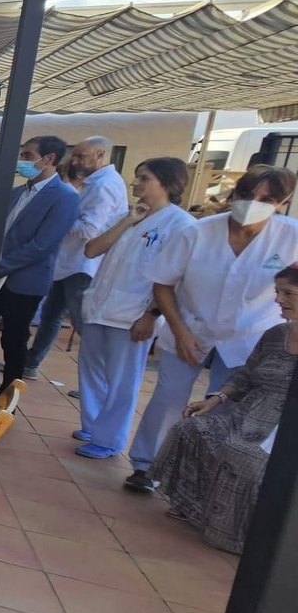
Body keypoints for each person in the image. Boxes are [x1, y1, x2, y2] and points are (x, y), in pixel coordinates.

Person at [125, 166, 298, 492]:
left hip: (251, 336)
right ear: (234, 195)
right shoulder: (198, 232)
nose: (253, 203)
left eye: (266, 198)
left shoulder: (291, 236)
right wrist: (180, 332)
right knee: (168, 400)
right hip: (190, 326)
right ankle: (146, 466)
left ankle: (205, 479)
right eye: (247, 195)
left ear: (282, 202)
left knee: (230, 408)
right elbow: (163, 283)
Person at [149, 270, 298, 553]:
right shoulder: (276, 334)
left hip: (281, 430)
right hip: (246, 417)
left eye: (288, 293)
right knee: (190, 429)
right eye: (277, 291)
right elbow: (246, 375)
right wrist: (215, 399)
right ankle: (194, 507)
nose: (278, 299)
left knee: (243, 454)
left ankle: (237, 534)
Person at [72, 159, 195, 460]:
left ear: (166, 183)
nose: (135, 183)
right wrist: (127, 220)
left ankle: (109, 438)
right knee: (91, 372)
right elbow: (91, 250)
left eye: (144, 178)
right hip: (100, 306)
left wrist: (151, 314)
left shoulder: (180, 225)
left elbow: (175, 279)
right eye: (137, 177)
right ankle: (92, 426)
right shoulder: (132, 217)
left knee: (122, 381)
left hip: (133, 314)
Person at [24, 136, 130, 380]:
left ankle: (101, 378)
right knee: (51, 315)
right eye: (76, 156)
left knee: (83, 323)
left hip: (83, 266)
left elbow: (90, 230)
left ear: (101, 155)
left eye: (82, 156)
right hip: (69, 263)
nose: (76, 161)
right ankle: (31, 363)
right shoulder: (92, 182)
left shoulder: (105, 186)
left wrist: (59, 217)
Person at [0, 136, 80, 390]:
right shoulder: (17, 192)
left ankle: (8, 397)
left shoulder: (64, 197)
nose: (22, 161)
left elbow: (42, 245)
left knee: (13, 340)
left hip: (24, 281)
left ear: (49, 159)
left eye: (28, 156)